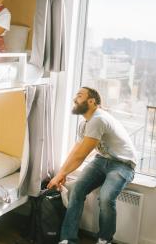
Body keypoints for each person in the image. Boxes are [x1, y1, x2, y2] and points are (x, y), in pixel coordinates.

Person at [48, 87, 137, 244]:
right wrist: (62, 172)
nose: (75, 99)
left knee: (105, 197)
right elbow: (76, 151)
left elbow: (81, 156)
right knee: (77, 191)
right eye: (76, 95)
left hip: (123, 165)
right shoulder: (85, 124)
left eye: (80, 95)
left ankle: (104, 239)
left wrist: (60, 175)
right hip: (102, 160)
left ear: (92, 101)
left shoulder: (98, 119)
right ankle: (68, 239)